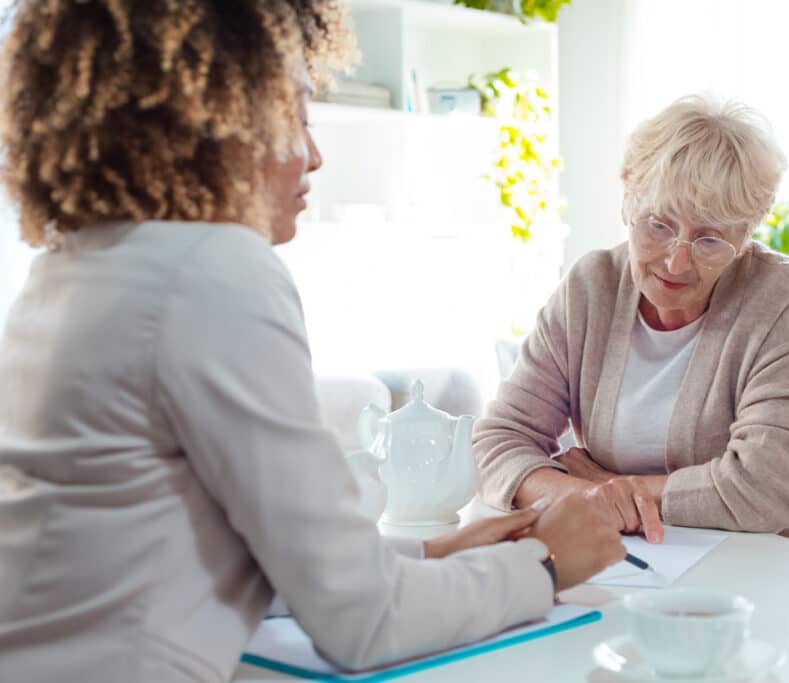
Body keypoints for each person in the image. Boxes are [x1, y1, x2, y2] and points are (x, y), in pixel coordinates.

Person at [0, 2, 625, 681]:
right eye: (295, 115)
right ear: (214, 124)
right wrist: (546, 563)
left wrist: (442, 552)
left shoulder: (74, 270)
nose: (315, 153)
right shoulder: (212, 272)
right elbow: (364, 623)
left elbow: (224, 561)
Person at [473, 94, 789, 553]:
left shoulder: (786, 295)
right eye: (658, 225)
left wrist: (616, 487)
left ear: (745, 235)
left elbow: (767, 490)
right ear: (627, 206)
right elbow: (498, 441)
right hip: (636, 566)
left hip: (775, 563)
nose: (677, 261)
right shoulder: (590, 287)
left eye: (710, 238)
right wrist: (591, 497)